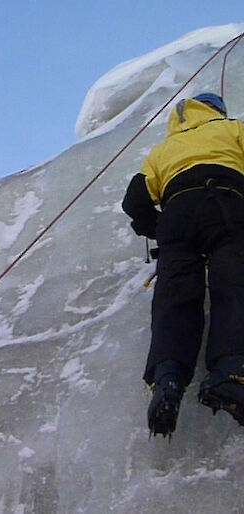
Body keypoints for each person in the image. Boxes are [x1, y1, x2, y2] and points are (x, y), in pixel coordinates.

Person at [122, 92, 244, 438]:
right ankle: (231, 370)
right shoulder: (233, 128)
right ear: (217, 111)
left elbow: (135, 200)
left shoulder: (163, 150)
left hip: (177, 211)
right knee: (233, 283)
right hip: (226, 201)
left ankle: (168, 377)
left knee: (175, 296)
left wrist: (158, 229)